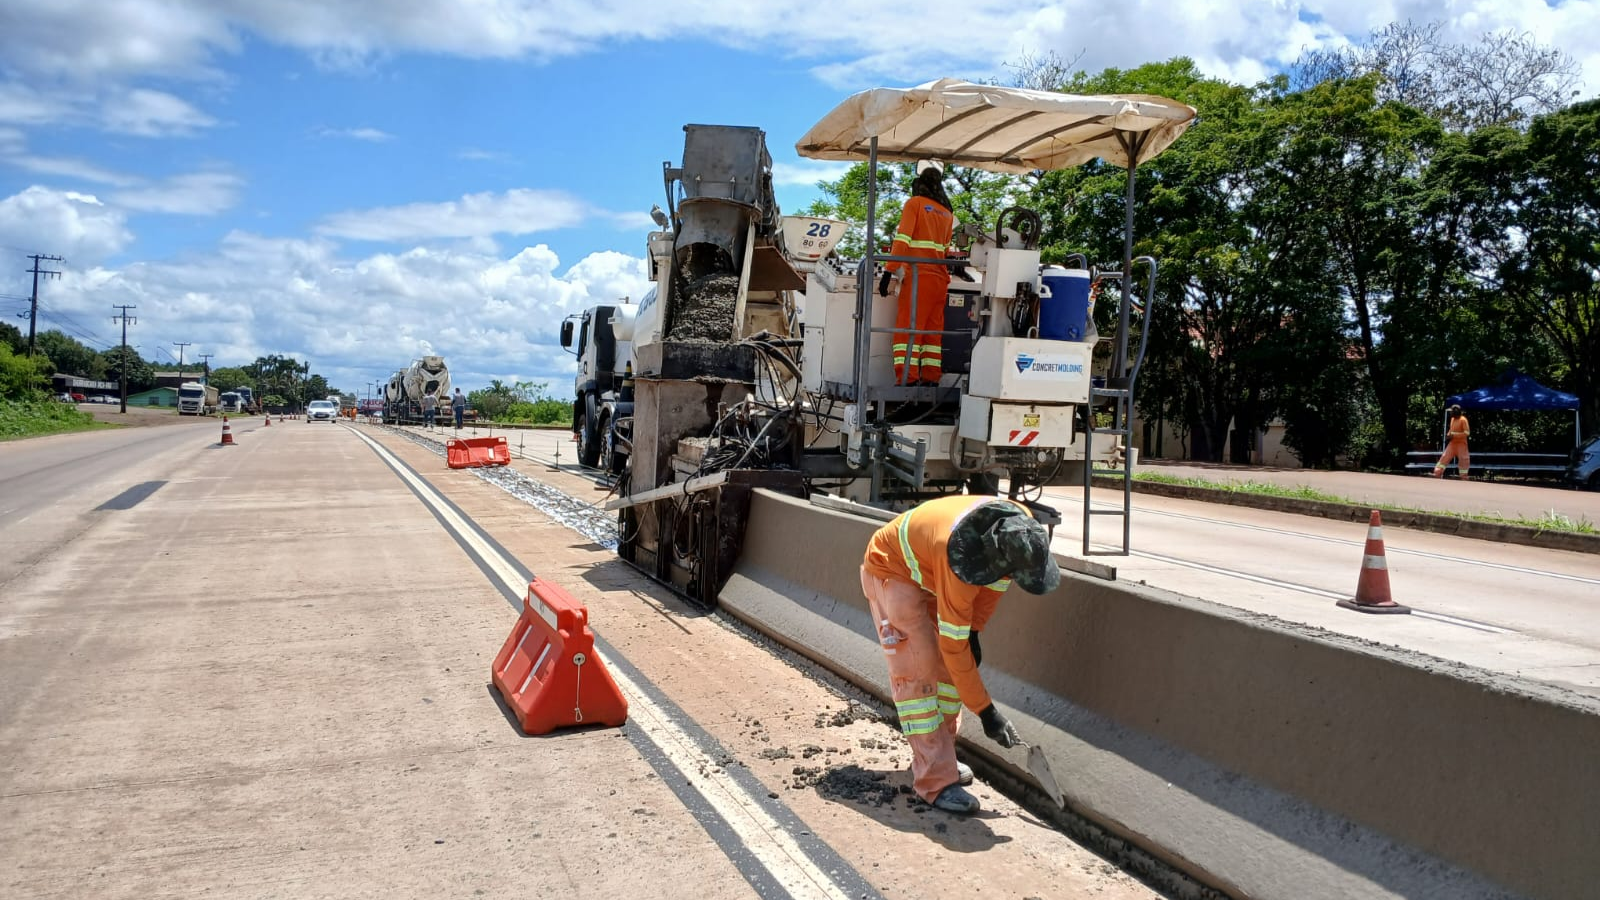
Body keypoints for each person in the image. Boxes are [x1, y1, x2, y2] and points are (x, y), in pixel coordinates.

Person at [860, 494, 1061, 814]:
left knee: (952, 670)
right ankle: (935, 781)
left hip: (931, 571)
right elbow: (953, 648)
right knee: (919, 667)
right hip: (892, 569)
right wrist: (986, 713)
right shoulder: (957, 559)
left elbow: (991, 592)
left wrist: (974, 631)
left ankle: (942, 759)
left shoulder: (1017, 525)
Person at [879, 160, 955, 386]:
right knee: (932, 332)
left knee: (907, 330)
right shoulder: (947, 213)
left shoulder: (915, 204)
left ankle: (907, 379)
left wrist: (888, 273)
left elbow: (902, 240)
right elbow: (945, 250)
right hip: (940, 280)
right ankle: (931, 378)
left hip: (919, 276)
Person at [1432, 404, 1470, 479]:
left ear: (1456, 412)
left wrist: (1454, 435)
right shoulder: (1453, 419)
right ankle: (1437, 473)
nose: (1450, 413)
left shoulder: (1463, 420)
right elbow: (1451, 430)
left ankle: (1464, 476)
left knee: (1463, 459)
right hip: (1452, 443)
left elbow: (1467, 433)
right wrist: (1448, 435)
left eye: (1452, 411)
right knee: (1445, 457)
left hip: (1461, 444)